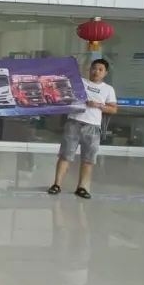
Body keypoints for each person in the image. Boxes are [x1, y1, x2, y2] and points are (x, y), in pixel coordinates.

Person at [48, 58, 116, 199]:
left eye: (100, 70)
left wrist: (98, 105)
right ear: (89, 69)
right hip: (74, 122)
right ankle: (57, 184)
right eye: (94, 68)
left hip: (93, 126)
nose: (96, 71)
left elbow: (113, 109)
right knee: (65, 155)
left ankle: (82, 187)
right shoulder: (80, 82)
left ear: (105, 73)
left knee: (88, 159)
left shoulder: (108, 89)